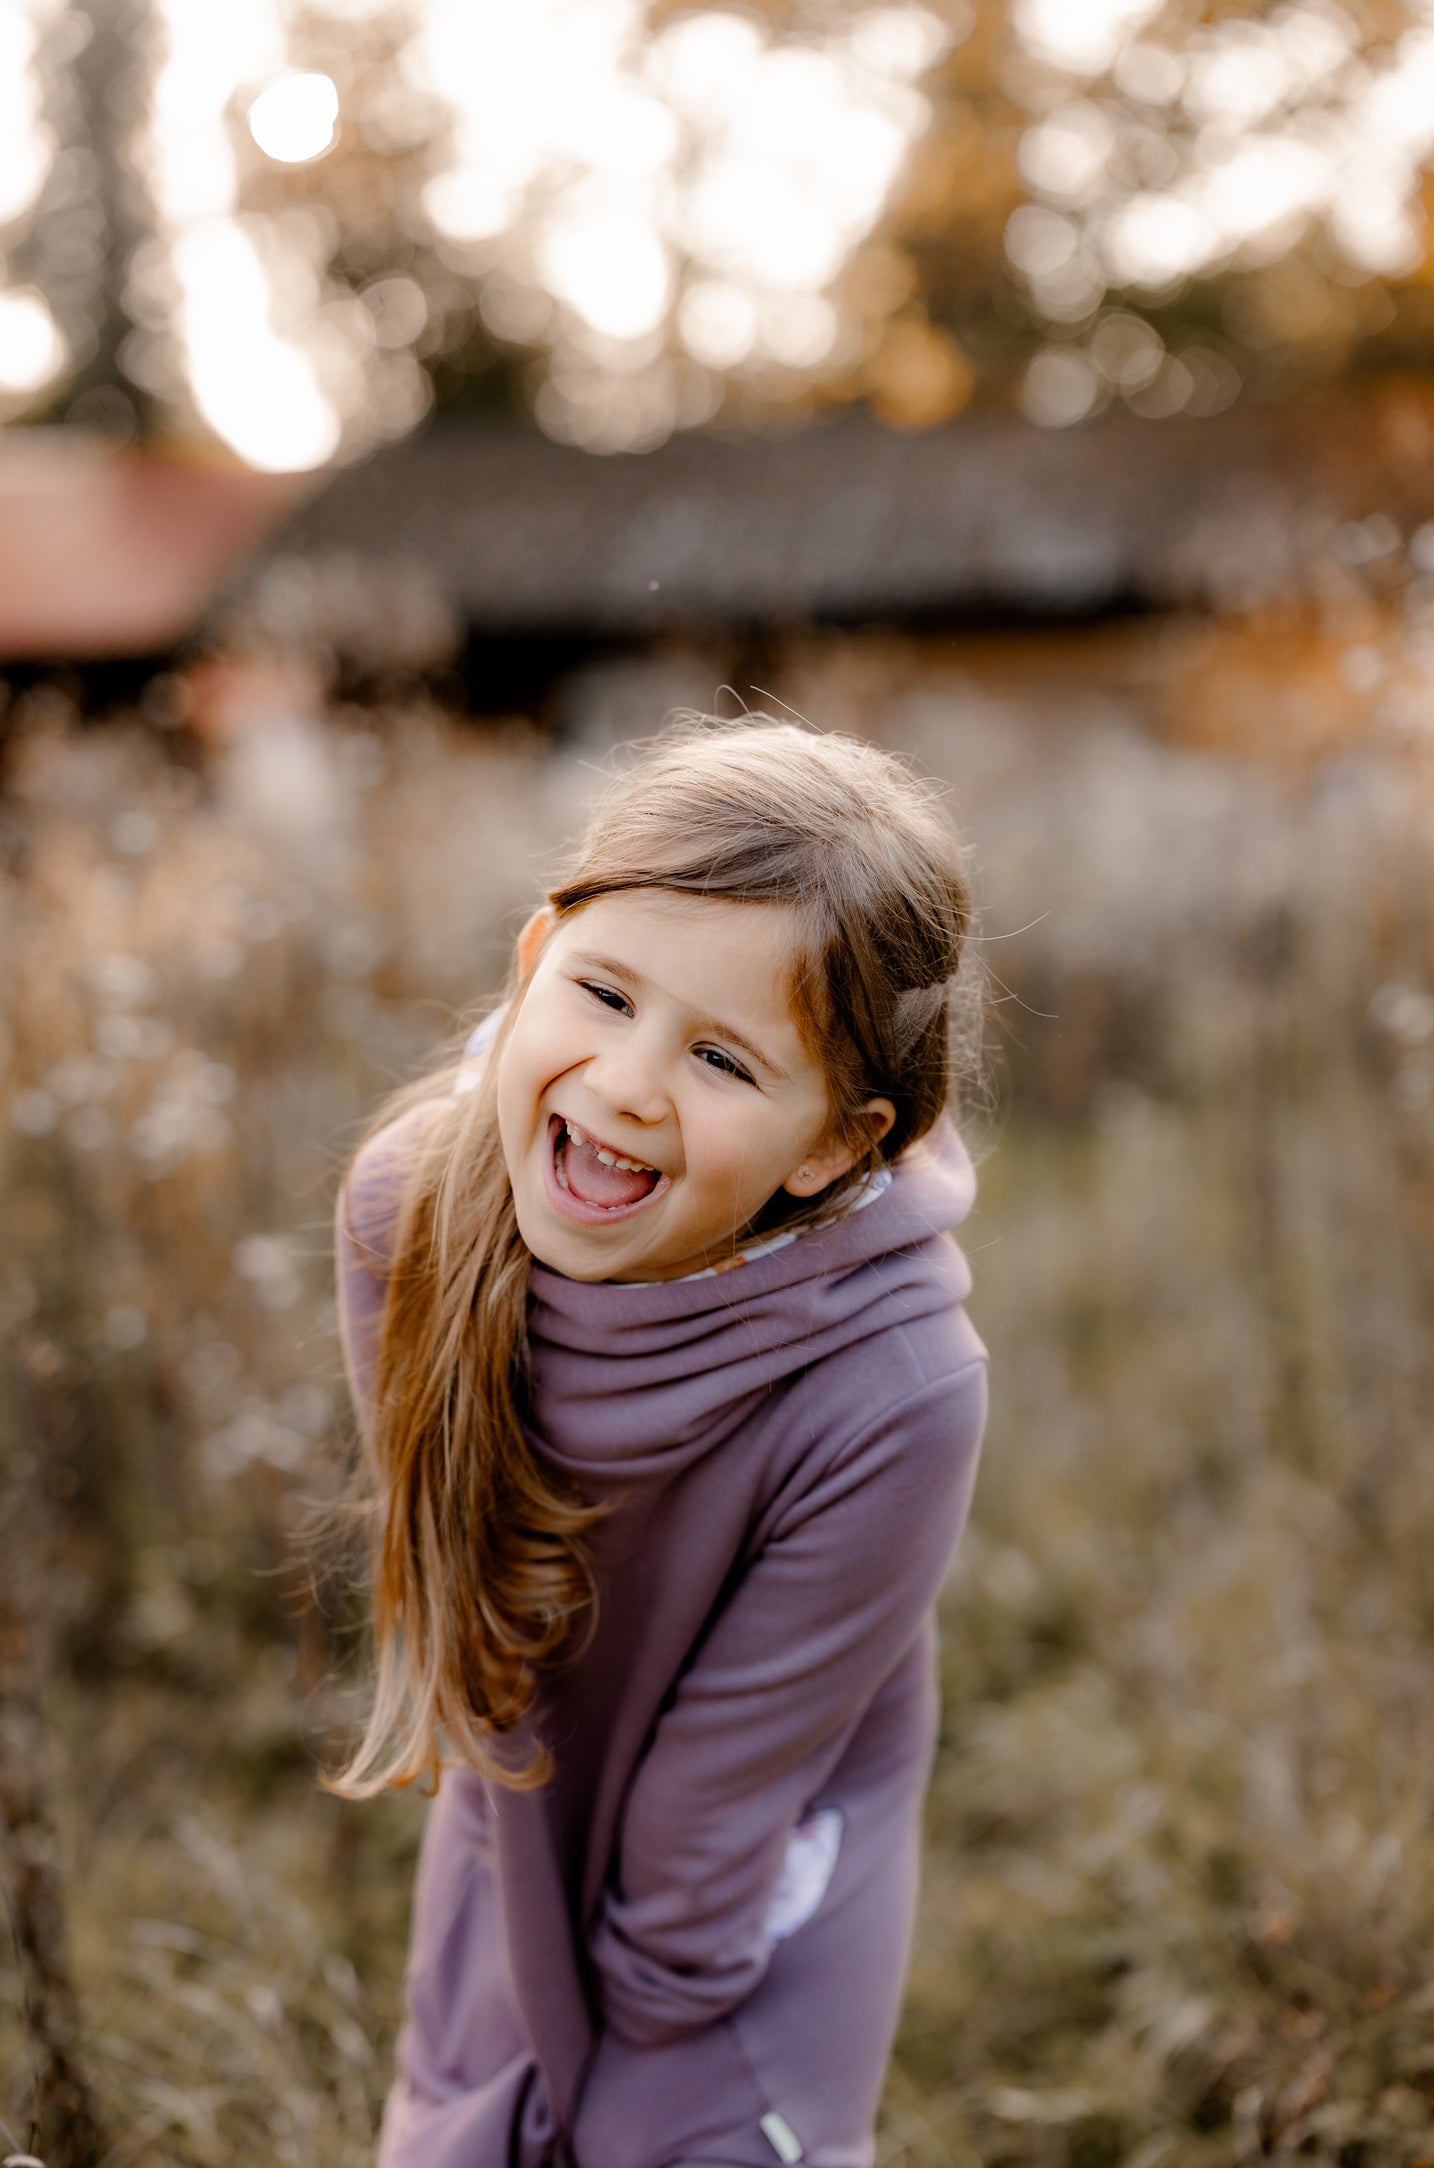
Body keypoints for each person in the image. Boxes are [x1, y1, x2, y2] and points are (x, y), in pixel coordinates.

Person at [332, 713, 991, 2168]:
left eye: (721, 1058)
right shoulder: (405, 1211)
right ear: (530, 962)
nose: (628, 1082)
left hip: (758, 1859)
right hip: (532, 1770)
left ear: (832, 1143)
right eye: (603, 994)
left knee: (670, 2132)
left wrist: (626, 2052)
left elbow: (720, 1798)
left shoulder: (895, 1391)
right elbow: (480, 1612)